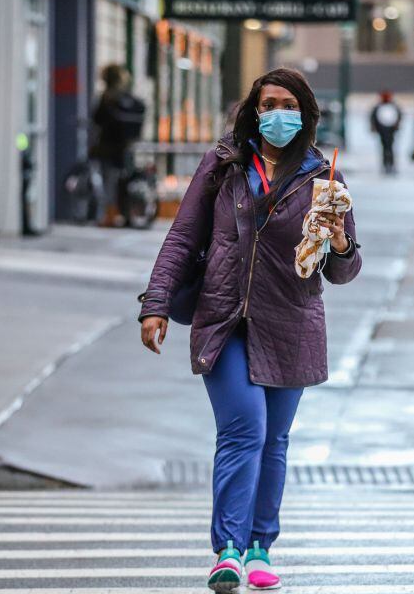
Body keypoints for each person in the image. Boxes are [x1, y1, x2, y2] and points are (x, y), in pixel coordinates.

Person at [138, 67, 362, 593]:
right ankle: (229, 551)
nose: (276, 113)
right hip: (225, 318)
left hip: (291, 321)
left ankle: (262, 545)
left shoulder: (322, 178)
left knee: (274, 441)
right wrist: (156, 304)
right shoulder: (224, 165)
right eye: (267, 104)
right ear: (253, 110)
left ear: (304, 113)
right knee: (245, 429)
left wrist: (340, 243)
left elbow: (345, 271)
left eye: (287, 104)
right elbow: (182, 236)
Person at [91, 64, 145, 226]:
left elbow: (97, 119)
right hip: (126, 146)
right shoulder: (129, 97)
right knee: (124, 180)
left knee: (109, 182)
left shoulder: (107, 97)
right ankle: (126, 213)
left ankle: (110, 214)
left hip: (108, 146)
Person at [370, 90, 403, 175]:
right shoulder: (381, 107)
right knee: (386, 148)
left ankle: (389, 165)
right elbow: (373, 118)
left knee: (388, 148)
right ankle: (387, 165)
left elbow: (399, 117)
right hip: (383, 130)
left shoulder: (390, 106)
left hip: (389, 130)